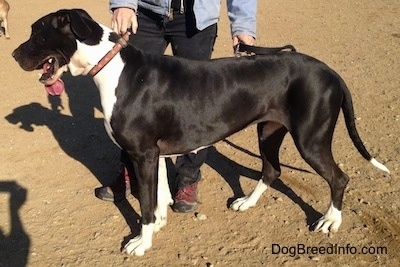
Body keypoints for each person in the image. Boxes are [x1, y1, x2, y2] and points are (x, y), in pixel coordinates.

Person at [95, 0, 257, 213]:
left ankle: (188, 177)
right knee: (131, 99)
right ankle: (131, 171)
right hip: (145, 14)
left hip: (196, 19)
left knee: (196, 102)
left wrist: (243, 27)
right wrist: (123, 3)